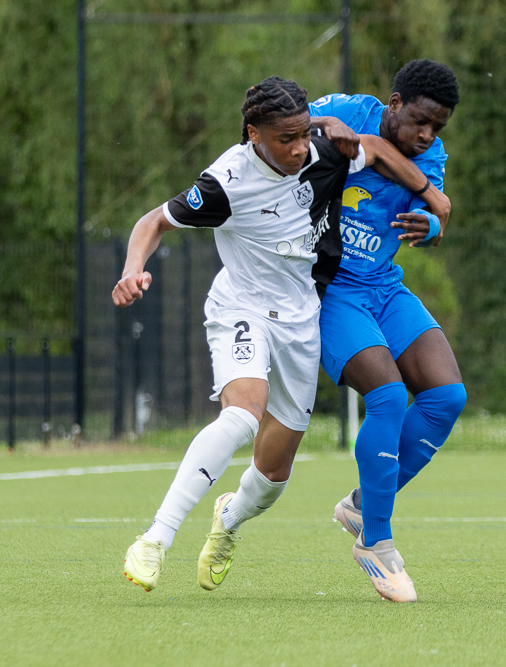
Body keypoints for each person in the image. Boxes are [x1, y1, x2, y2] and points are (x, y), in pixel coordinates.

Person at [113, 75, 449, 594]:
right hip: (241, 305)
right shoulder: (225, 182)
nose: (298, 150)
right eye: (285, 140)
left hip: (301, 317)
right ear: (253, 134)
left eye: (302, 135)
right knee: (243, 414)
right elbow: (152, 222)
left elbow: (378, 150)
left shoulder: (322, 152)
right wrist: (132, 269)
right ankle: (155, 538)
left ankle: (229, 522)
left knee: (272, 480)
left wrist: (432, 199)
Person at [308, 60, 466, 602]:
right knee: (389, 397)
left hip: (383, 285)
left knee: (447, 397)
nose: (427, 136)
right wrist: (322, 127)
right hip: (331, 289)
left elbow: (438, 212)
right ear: (393, 103)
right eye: (421, 121)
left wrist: (434, 225)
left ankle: (360, 506)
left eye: (437, 127)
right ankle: (376, 542)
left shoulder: (432, 156)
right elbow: (291, 128)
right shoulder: (351, 109)